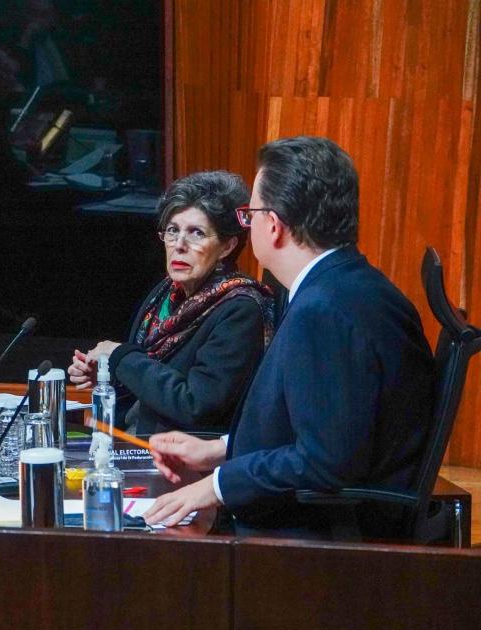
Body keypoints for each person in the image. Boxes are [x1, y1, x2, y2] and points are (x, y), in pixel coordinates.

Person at [144, 136, 435, 538]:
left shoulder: (326, 310)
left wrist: (215, 487)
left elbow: (324, 461)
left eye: (251, 214)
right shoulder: (346, 286)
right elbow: (327, 428)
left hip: (314, 544)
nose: (249, 224)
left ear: (274, 225)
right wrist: (219, 451)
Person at [68, 171, 274, 435]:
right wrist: (108, 374)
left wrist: (122, 359)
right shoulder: (165, 293)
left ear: (227, 247)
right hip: (132, 441)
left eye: (196, 233)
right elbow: (150, 381)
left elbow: (196, 406)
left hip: (183, 458)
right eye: (173, 231)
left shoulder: (240, 309)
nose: (179, 244)